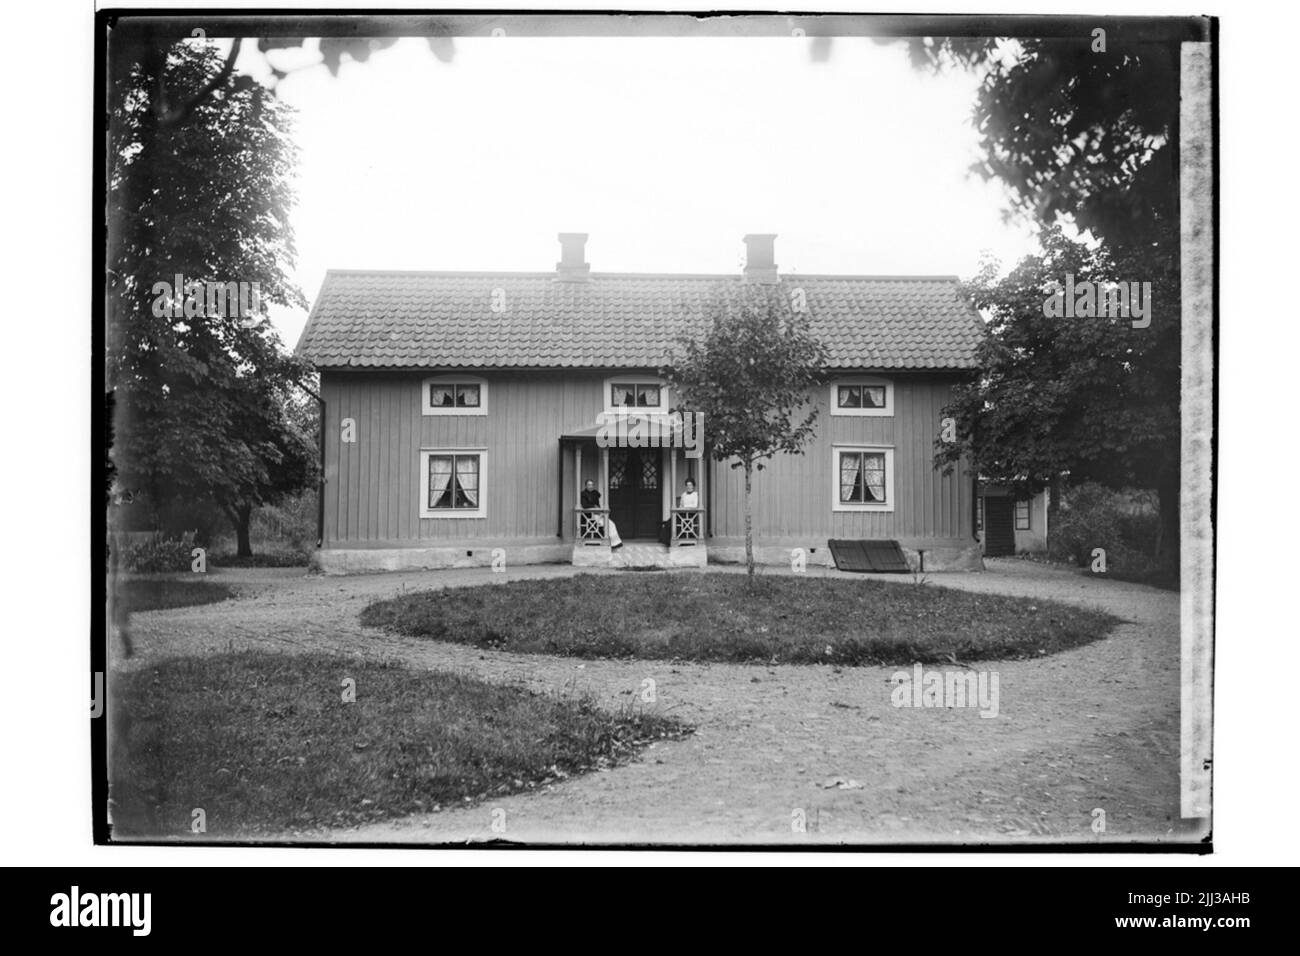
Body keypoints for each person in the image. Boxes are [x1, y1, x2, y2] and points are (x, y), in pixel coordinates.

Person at [582, 478, 622, 549]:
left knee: (611, 524)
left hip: (598, 514)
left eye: (592, 485)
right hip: (590, 515)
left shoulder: (595, 493)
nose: (590, 486)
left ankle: (615, 543)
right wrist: (594, 507)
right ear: (586, 486)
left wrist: (600, 511)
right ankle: (609, 542)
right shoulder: (583, 494)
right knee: (606, 524)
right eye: (589, 485)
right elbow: (585, 505)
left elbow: (598, 505)